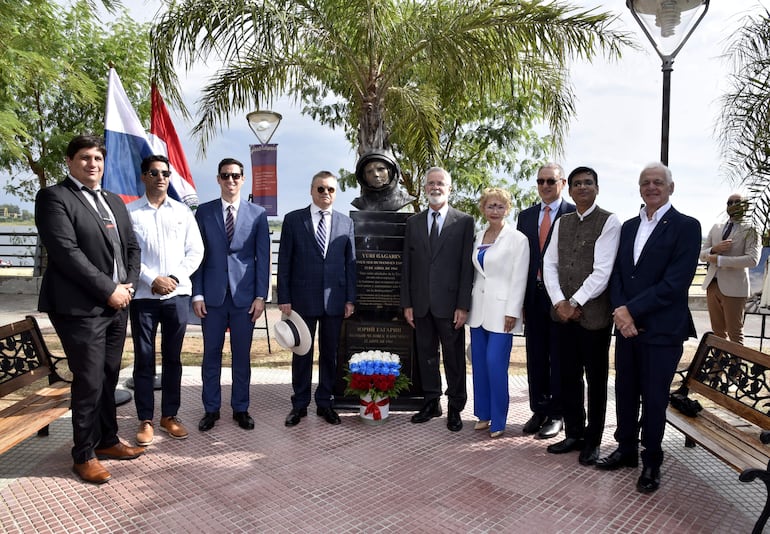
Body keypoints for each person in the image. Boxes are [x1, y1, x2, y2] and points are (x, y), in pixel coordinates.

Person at [35, 135, 144, 484]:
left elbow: (132, 247)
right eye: (84, 157)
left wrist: (127, 286)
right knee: (89, 380)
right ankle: (83, 454)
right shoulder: (54, 197)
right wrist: (108, 289)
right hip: (79, 308)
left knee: (109, 376)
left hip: (118, 304)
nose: (92, 163)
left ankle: (107, 440)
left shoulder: (114, 200)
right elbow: (66, 253)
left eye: (97, 158)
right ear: (69, 161)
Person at [596, 162, 701, 494]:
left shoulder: (686, 227)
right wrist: (621, 312)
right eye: (645, 182)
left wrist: (630, 310)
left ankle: (652, 460)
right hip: (626, 328)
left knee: (654, 399)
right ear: (639, 188)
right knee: (625, 392)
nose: (651, 187)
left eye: (658, 182)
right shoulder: (628, 227)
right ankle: (626, 449)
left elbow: (675, 282)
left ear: (671, 187)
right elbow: (617, 274)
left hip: (662, 329)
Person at [542, 166, 620, 466]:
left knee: (596, 380)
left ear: (597, 188)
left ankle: (593, 440)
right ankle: (574, 433)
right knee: (568, 377)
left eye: (588, 183)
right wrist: (560, 302)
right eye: (577, 183)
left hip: (593, 317)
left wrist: (574, 301)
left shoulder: (609, 221)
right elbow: (549, 264)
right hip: (562, 315)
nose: (582, 187)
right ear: (570, 190)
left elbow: (602, 271)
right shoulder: (562, 222)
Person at [127, 155, 204, 446]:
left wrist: (172, 278)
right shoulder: (130, 212)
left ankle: (169, 415)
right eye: (154, 172)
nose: (161, 177)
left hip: (177, 296)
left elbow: (195, 251)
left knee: (173, 358)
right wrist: (152, 279)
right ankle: (145, 419)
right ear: (144, 176)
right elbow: (128, 253)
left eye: (165, 173)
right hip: (143, 297)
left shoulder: (182, 212)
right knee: (144, 358)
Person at [192, 158, 271, 432]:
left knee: (241, 356)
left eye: (235, 175)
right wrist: (197, 294)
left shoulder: (258, 214)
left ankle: (241, 408)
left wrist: (261, 296)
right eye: (225, 175)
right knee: (211, 356)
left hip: (244, 299)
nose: (231, 180)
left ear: (243, 179)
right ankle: (211, 409)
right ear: (218, 179)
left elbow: (263, 257)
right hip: (212, 298)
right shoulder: (204, 212)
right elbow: (197, 257)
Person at [278, 171, 356, 426]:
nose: (326, 193)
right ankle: (299, 404)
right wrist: (284, 296)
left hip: (334, 301)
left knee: (330, 354)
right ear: (312, 190)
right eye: (321, 189)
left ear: (336, 193)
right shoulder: (293, 220)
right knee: (302, 353)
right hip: (302, 299)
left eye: (330, 189)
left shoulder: (346, 223)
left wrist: (350, 299)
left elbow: (350, 264)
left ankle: (325, 402)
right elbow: (285, 261)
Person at [401, 167, 474, 431]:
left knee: (454, 359)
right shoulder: (413, 223)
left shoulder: (464, 221)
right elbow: (407, 266)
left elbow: (467, 267)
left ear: (449, 188)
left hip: (450, 305)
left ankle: (455, 406)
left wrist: (463, 305)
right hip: (421, 304)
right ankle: (431, 401)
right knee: (426, 356)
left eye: (440, 183)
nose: (435, 187)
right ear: (424, 188)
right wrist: (407, 303)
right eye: (431, 183)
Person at [516, 163, 575, 439]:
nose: (545, 186)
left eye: (551, 181)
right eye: (540, 181)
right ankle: (538, 410)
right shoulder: (526, 216)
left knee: (559, 357)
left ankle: (556, 414)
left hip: (561, 298)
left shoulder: (573, 214)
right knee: (536, 356)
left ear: (562, 183)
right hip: (533, 296)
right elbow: (522, 260)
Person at [467, 188, 528, 438]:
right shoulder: (478, 236)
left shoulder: (517, 239)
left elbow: (519, 277)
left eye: (500, 206)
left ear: (507, 209)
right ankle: (483, 414)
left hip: (503, 312)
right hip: (478, 310)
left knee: (495, 363)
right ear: (483, 208)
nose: (495, 211)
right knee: (479, 364)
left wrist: (513, 310)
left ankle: (499, 419)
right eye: (490, 206)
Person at [700, 193, 760, 344]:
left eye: (737, 202)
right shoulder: (716, 228)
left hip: (735, 288)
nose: (733, 205)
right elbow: (701, 254)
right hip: (712, 285)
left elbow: (752, 260)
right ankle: (719, 359)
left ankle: (736, 359)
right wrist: (714, 249)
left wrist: (720, 260)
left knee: (735, 333)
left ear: (746, 206)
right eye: (729, 202)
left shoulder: (751, 229)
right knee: (718, 332)